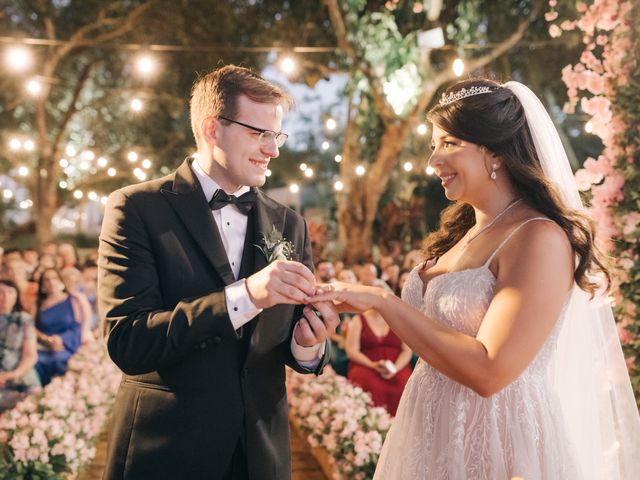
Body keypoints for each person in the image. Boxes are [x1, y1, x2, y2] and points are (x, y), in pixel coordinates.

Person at [311, 79, 640, 479]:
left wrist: (383, 301)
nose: (433, 160)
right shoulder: (461, 235)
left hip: (497, 441)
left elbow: (490, 371)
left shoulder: (538, 238)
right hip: (429, 428)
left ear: (496, 153)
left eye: (449, 144)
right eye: (434, 145)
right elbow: (433, 336)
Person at [98, 64, 338, 480]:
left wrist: (306, 346)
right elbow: (128, 342)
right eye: (258, 133)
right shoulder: (136, 208)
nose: (273, 150)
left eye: (276, 135)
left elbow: (284, 347)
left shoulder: (291, 224)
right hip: (167, 452)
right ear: (213, 129)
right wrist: (246, 296)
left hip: (261, 455)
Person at [345, 309, 412, 415]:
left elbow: (407, 350)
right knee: (370, 385)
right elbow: (351, 351)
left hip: (397, 365)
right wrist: (372, 365)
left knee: (404, 384)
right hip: (366, 365)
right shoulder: (358, 320)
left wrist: (395, 368)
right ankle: (372, 423)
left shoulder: (399, 321)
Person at [34, 268, 83, 385]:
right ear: (42, 284)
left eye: (54, 278)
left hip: (67, 343)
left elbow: (77, 326)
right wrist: (47, 340)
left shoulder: (72, 300)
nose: (51, 282)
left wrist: (61, 340)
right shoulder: (37, 304)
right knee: (37, 361)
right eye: (46, 279)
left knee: (60, 359)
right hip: (43, 345)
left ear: (60, 281)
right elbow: (31, 328)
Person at [0, 279, 40, 411]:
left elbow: (30, 356)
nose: (5, 297)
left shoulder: (23, 319)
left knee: (33, 399)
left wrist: (14, 374)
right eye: (1, 292)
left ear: (16, 296)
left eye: (10, 292)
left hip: (20, 376)